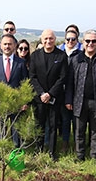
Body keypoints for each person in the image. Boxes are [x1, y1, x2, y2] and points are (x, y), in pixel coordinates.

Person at [65, 30, 96, 163]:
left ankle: (94, 156)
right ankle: (80, 156)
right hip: (79, 100)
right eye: (87, 41)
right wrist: (68, 99)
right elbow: (70, 82)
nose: (90, 44)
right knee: (79, 131)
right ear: (83, 42)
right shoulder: (76, 60)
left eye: (93, 41)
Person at [29, 29, 68, 161]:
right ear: (41, 40)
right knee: (39, 125)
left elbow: (62, 78)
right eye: (45, 39)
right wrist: (41, 93)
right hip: (39, 98)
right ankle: (38, 150)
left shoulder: (61, 56)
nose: (48, 41)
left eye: (51, 38)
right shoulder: (34, 56)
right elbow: (32, 77)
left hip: (54, 97)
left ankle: (52, 152)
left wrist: (50, 93)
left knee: (53, 125)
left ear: (55, 39)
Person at [0, 34, 29, 146]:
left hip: (17, 103)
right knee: (1, 129)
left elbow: (24, 84)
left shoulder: (21, 63)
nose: (7, 46)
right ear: (0, 45)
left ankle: (17, 151)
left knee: (16, 130)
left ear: (15, 46)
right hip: (0, 103)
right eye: (5, 44)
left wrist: (24, 102)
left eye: (10, 44)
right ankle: (1, 152)